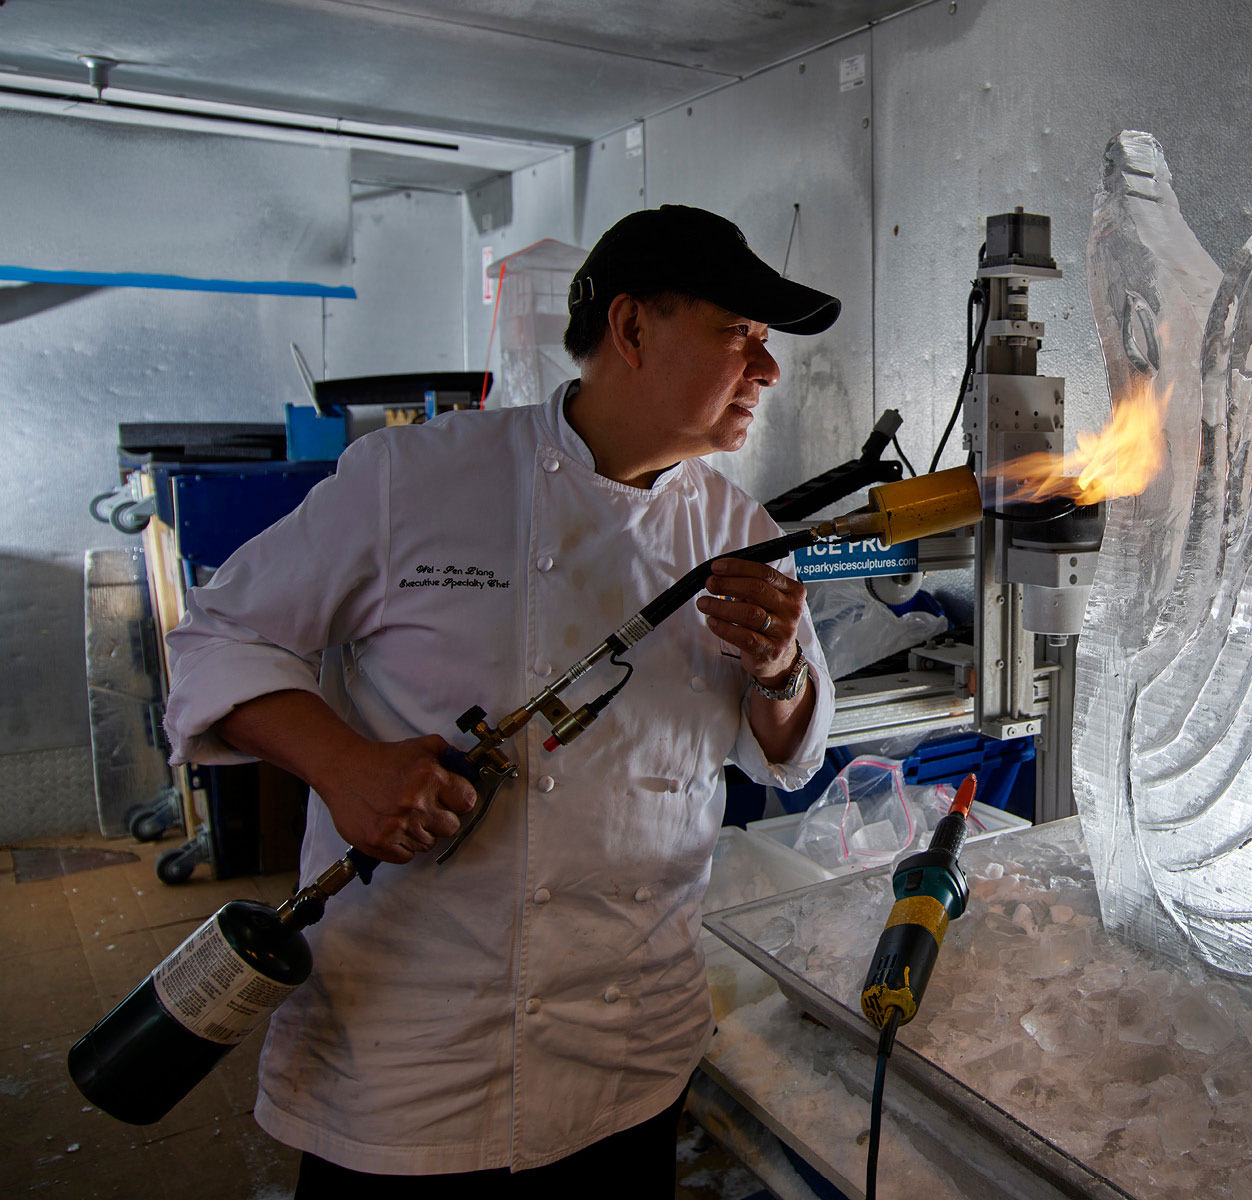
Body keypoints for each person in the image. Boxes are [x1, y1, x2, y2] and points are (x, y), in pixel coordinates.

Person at [163, 205, 842, 1195]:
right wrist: (342, 766)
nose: (767, 369)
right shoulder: (418, 479)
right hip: (415, 1061)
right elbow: (218, 635)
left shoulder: (737, 527)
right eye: (739, 334)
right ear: (633, 329)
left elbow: (790, 748)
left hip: (628, 1055)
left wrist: (782, 666)